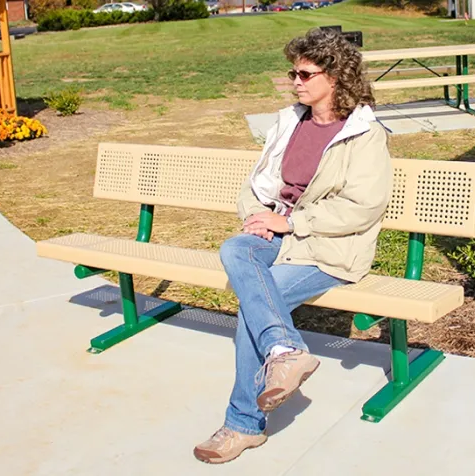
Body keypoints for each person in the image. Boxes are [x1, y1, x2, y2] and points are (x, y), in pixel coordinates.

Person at [193, 28, 392, 464]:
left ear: (336, 77)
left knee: (253, 308)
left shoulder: (364, 134)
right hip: (282, 235)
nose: (295, 82)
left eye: (305, 74)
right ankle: (286, 350)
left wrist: (290, 222)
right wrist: (258, 217)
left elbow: (362, 207)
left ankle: (242, 425)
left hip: (330, 248)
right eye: (292, 72)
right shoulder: (290, 121)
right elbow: (259, 182)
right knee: (235, 248)